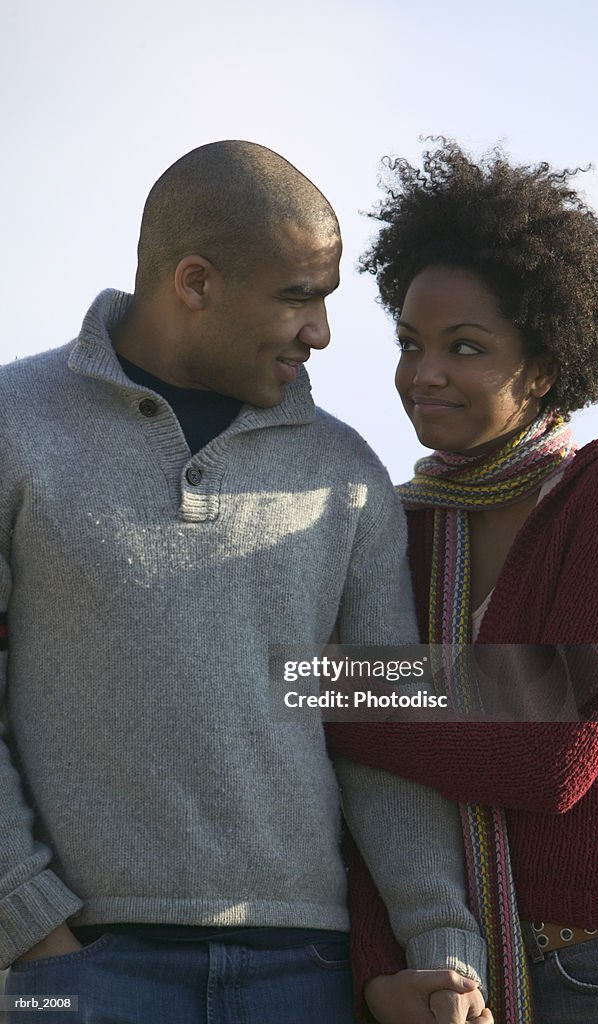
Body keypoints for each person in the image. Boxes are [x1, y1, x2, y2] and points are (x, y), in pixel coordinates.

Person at [0, 141, 493, 1023]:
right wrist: (31, 929)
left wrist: (442, 952)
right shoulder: (13, 428)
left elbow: (388, 731)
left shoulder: (347, 472)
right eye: (299, 297)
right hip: (72, 968)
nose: (322, 333)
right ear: (195, 282)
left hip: (306, 971)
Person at [327, 141, 598, 1023]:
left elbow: (554, 753)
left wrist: (321, 688)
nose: (423, 373)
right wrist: (381, 972)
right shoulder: (395, 526)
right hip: (447, 976)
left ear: (545, 364)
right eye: (410, 343)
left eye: (465, 347)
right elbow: (373, 795)